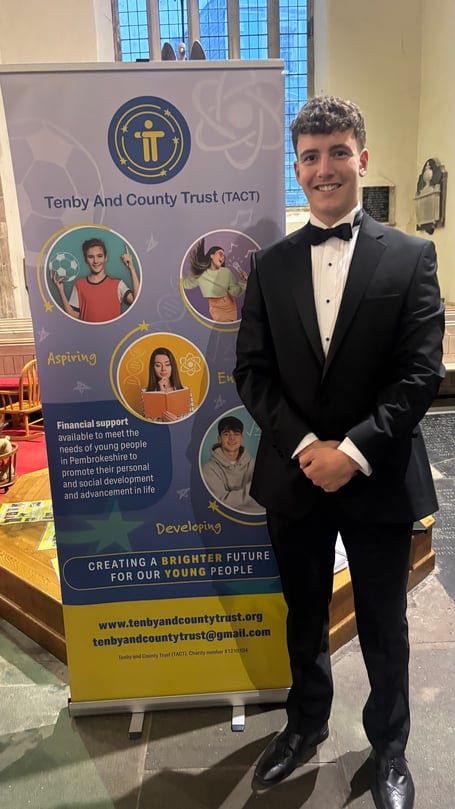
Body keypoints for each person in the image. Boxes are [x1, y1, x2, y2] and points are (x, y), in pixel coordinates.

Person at [234, 96, 445, 809]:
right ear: (295, 168)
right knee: (302, 613)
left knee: (385, 621)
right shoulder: (269, 265)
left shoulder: (412, 256)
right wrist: (303, 448)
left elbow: (419, 374)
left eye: (335, 151)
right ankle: (303, 723)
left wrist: (349, 451)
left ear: (361, 155)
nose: (323, 168)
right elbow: (252, 373)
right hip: (295, 476)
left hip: (377, 472)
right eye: (308, 156)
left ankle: (388, 745)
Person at [52, 238, 139, 322]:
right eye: (91, 257)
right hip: (88, 335)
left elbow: (137, 301)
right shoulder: (79, 285)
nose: (96, 261)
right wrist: (61, 291)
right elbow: (73, 316)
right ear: (86, 259)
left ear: (106, 258)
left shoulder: (118, 284)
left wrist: (131, 268)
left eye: (99, 256)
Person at [202, 415, 263, 514]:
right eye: (226, 434)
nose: (232, 438)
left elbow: (263, 505)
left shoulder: (256, 464)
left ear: (242, 438)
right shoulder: (209, 469)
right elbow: (222, 503)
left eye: (236, 434)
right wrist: (255, 489)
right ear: (219, 438)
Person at [182, 238, 247, 322]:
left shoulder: (226, 272)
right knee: (222, 331)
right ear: (211, 255)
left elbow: (235, 292)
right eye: (220, 253)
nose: (223, 257)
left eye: (224, 255)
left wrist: (243, 281)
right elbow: (185, 284)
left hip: (229, 306)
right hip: (215, 307)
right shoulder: (201, 273)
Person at [143, 347, 191, 422]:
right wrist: (161, 392)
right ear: (153, 368)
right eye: (158, 365)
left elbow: (191, 421)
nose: (163, 369)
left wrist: (176, 420)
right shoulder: (145, 393)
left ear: (172, 366)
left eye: (167, 364)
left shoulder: (184, 391)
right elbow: (146, 422)